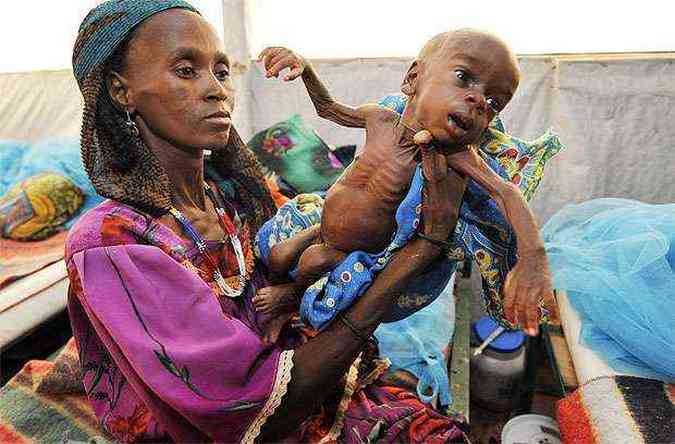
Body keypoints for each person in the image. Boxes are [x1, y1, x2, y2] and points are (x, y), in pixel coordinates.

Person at [66, 1, 469, 442]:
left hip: (307, 378)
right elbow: (256, 412)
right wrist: (423, 248)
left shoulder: (231, 196)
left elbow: (304, 267)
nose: (217, 89)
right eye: (186, 70)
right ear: (121, 91)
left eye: (221, 72)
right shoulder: (115, 243)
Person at [252, 31, 553, 338]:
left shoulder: (454, 156)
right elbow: (327, 107)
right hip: (323, 227)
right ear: (413, 78)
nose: (478, 101)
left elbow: (506, 191)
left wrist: (533, 255)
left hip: (356, 250)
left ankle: (290, 301)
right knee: (277, 256)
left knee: (313, 261)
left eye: (494, 103)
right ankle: (286, 292)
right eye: (464, 77)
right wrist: (306, 70)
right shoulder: (378, 118)